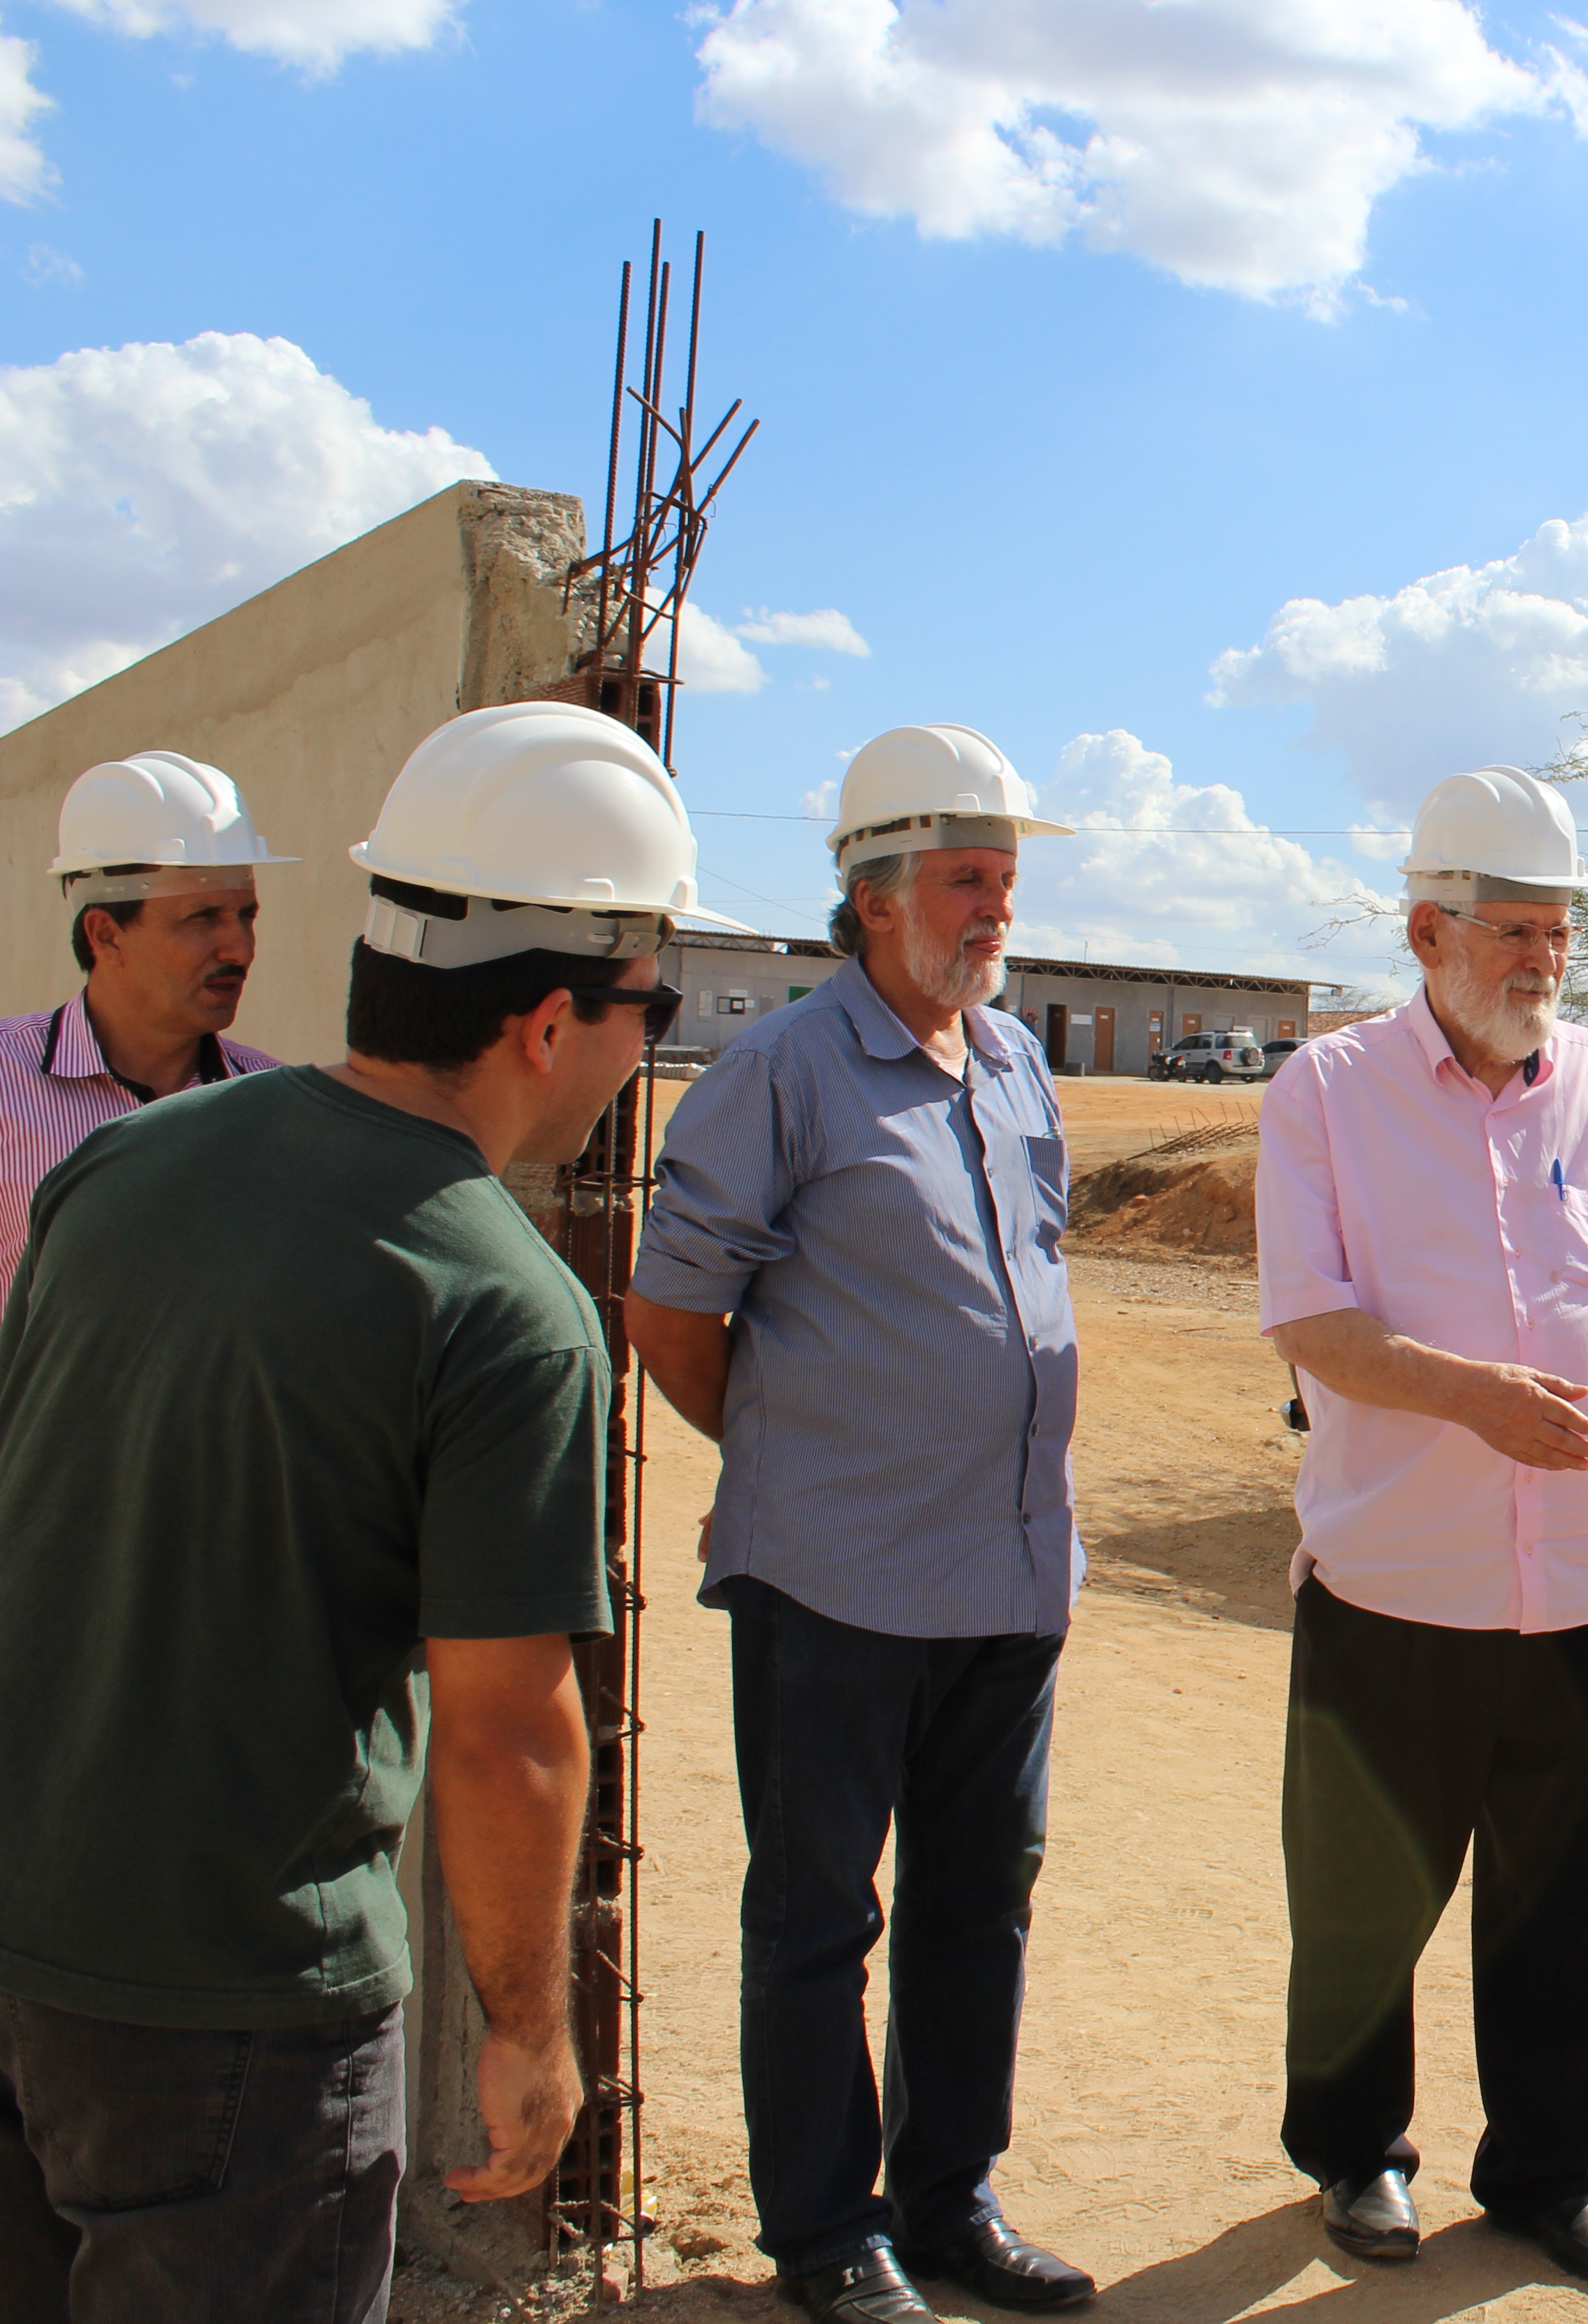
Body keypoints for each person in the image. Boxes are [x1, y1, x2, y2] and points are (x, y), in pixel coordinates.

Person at [0, 701, 714, 2323]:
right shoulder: (504, 1298)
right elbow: (506, 1729)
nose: (645, 1047)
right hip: (238, 2009)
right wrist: (527, 2029)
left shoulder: (121, 1171)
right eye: (647, 1007)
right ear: (548, 1022)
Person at [627, 724, 1091, 2324]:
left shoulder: (1016, 1058)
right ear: (871, 889)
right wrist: (808, 1453)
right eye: (970, 876)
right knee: (819, 1908)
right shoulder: (781, 1070)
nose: (996, 907)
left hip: (1011, 1573)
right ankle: (826, 2230)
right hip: (831, 1578)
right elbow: (677, 1314)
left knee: (983, 1899)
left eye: (1008, 878)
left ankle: (949, 2197)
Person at [1255, 765, 1588, 2290]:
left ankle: (1549, 2171)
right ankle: (1360, 2157)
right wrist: (1469, 1399)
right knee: (1364, 1900)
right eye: (1512, 929)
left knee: (1575, 1907)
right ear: (1424, 932)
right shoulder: (1325, 1092)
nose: (1541, 960)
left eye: (1559, 932)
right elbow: (1310, 1321)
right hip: (1399, 1584)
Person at [0, 752, 295, 1275]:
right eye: (202, 917)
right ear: (105, 934)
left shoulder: (281, 1106)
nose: (239, 948)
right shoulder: (7, 1078)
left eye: (245, 915)